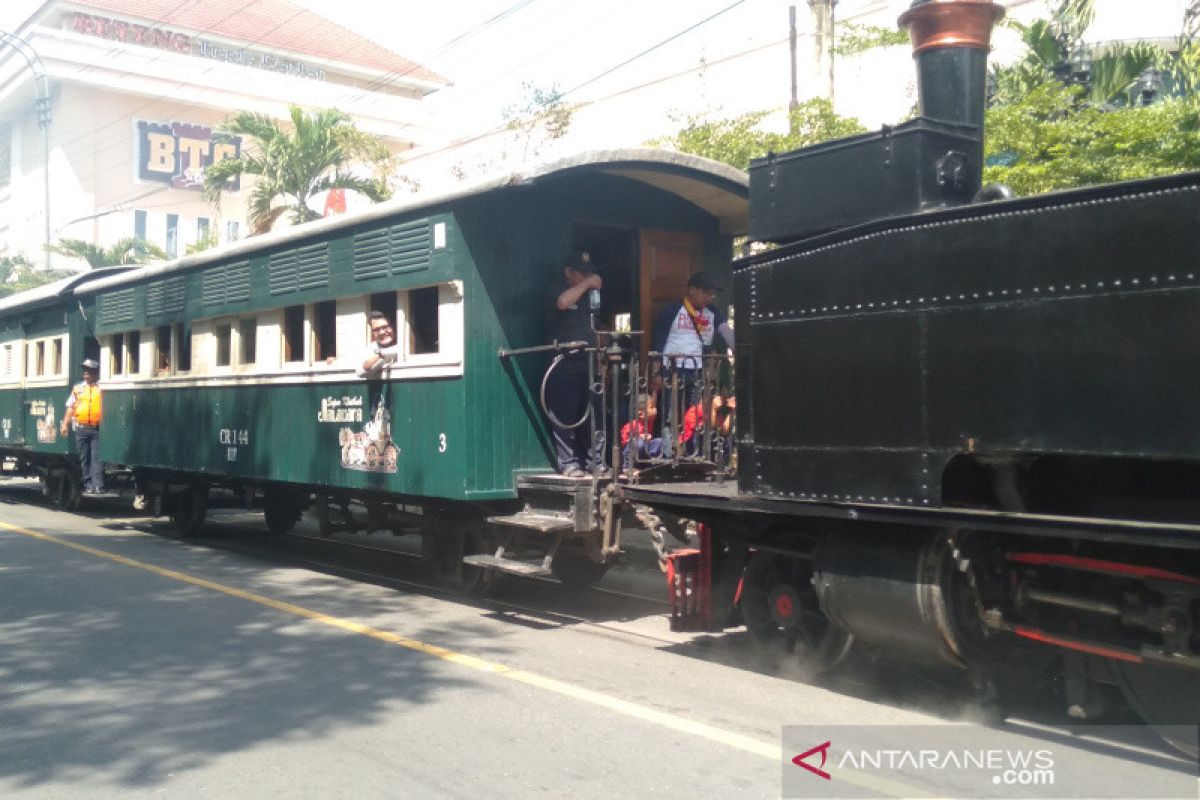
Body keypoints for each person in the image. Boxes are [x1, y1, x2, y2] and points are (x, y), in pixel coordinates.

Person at [652, 272, 735, 451]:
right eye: (705, 293)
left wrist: (740, 347)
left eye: (711, 294)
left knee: (695, 414)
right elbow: (658, 344)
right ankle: (668, 453)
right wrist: (656, 373)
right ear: (692, 290)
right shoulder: (672, 311)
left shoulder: (713, 313)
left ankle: (691, 451)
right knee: (670, 414)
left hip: (697, 372)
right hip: (672, 370)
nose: (708, 298)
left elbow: (725, 331)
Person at [544, 250, 604, 478]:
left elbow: (595, 326)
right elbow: (562, 302)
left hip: (587, 361)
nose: (589, 276)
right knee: (564, 415)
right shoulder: (556, 289)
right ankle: (568, 463)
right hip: (563, 362)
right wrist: (588, 283)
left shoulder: (589, 297)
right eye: (583, 273)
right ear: (569, 272)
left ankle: (595, 462)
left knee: (593, 414)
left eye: (591, 272)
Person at [60, 358, 104, 494]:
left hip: (97, 428)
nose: (86, 373)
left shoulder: (101, 388)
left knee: (97, 458)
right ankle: (88, 484)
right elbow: (70, 407)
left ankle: (98, 485)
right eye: (85, 371)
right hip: (82, 428)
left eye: (89, 371)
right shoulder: (78, 388)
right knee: (84, 458)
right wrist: (64, 424)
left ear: (96, 373)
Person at [621, 394, 664, 469]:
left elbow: (654, 401)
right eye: (652, 407)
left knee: (659, 441)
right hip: (632, 450)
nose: (655, 409)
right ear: (641, 414)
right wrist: (638, 437)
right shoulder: (633, 425)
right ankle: (627, 467)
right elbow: (624, 441)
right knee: (639, 443)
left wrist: (655, 390)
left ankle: (650, 462)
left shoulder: (649, 421)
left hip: (644, 448)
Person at [357, 310, 401, 379]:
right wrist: (379, 356)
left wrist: (380, 354)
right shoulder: (372, 347)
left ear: (394, 326)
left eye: (385, 327)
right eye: (376, 330)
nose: (382, 332)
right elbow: (360, 373)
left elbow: (400, 350)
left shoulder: (404, 344)